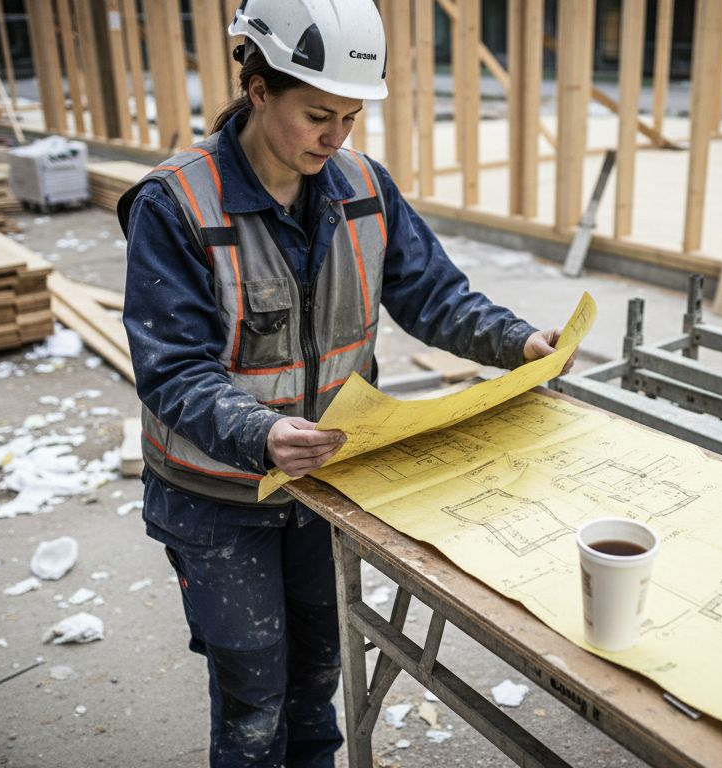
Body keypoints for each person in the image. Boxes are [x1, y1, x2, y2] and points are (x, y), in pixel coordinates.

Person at [118, 0, 573, 765]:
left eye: (353, 117)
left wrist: (518, 342)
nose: (336, 138)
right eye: (317, 115)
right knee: (253, 697)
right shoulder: (177, 204)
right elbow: (172, 367)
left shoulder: (361, 184)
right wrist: (259, 432)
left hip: (326, 479)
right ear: (258, 89)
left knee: (320, 676)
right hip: (218, 498)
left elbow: (434, 295)